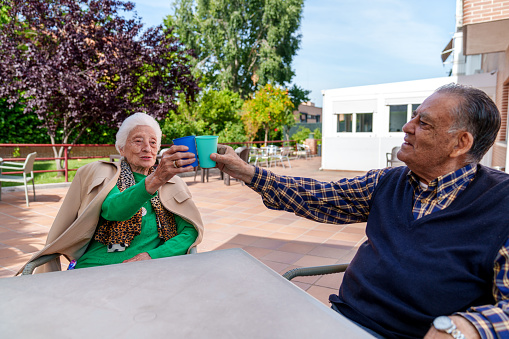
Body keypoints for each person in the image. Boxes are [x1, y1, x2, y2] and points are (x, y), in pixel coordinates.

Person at [211, 83, 509, 339]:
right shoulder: (388, 181)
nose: (407, 127)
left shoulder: (502, 203)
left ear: (460, 143)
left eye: (424, 123)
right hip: (341, 322)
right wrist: (247, 172)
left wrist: (468, 326)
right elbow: (319, 197)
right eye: (414, 116)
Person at [18, 113, 203, 273]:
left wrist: (152, 256)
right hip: (97, 269)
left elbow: (189, 231)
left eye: (153, 142)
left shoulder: (171, 182)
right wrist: (155, 180)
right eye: (138, 141)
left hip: (149, 270)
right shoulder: (108, 175)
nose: (147, 148)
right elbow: (113, 210)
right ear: (121, 148)